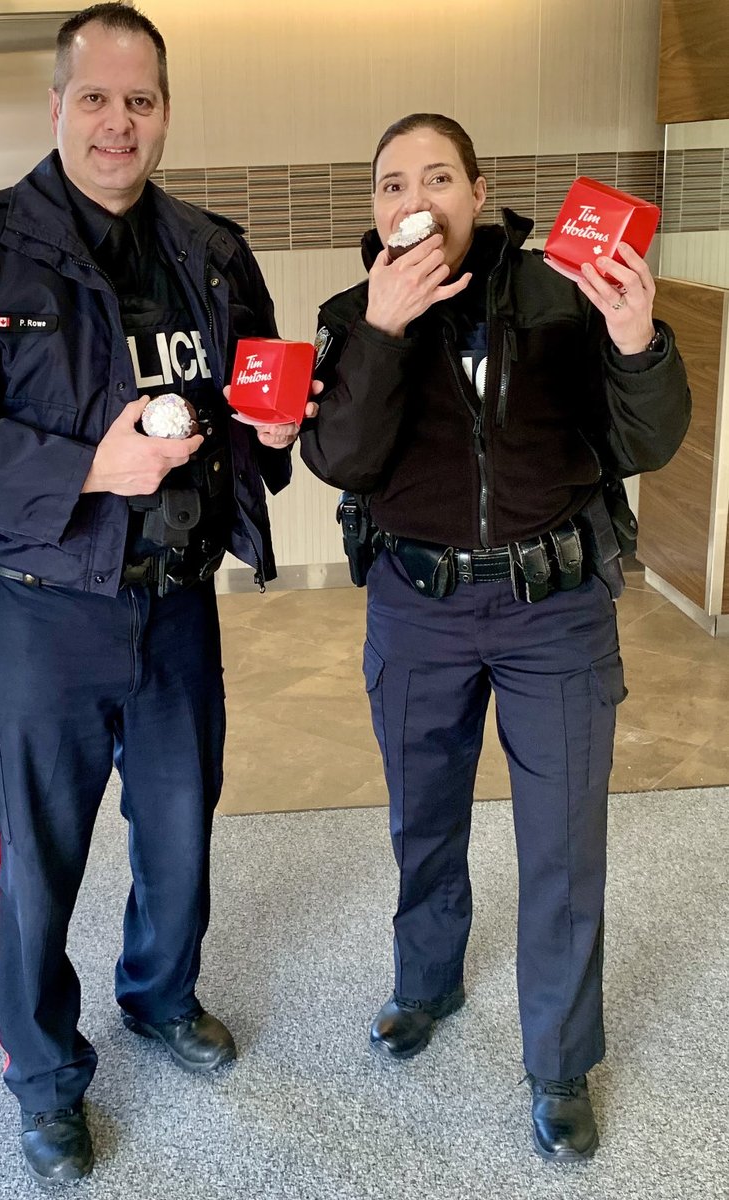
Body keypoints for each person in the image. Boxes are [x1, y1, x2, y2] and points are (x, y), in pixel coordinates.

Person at [0, 3, 315, 1187]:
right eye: (95, 98)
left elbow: (250, 412)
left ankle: (161, 998)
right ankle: (42, 1075)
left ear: (164, 112)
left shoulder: (212, 251)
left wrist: (274, 431)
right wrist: (84, 466)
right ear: (58, 106)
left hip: (176, 611)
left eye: (140, 101)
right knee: (36, 864)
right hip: (37, 619)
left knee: (177, 843)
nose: (117, 123)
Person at [300, 113, 690, 1162]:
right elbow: (338, 459)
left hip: (552, 612)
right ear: (375, 209)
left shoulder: (567, 296)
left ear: (478, 193)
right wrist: (380, 334)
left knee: (560, 843)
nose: (412, 197)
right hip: (416, 608)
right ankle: (422, 985)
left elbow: (646, 436)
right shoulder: (349, 314)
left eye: (435, 176)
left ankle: (558, 1063)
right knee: (422, 819)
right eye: (390, 184)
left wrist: (634, 341)